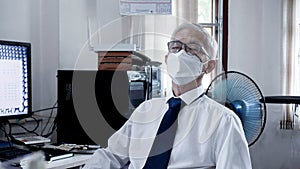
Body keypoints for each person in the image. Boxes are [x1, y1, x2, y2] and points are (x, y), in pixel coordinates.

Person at [83, 22, 252, 169]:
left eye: (192, 49)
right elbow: (110, 156)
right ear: (167, 58)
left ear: (209, 66)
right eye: (176, 48)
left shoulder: (223, 121)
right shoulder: (146, 110)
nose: (181, 55)